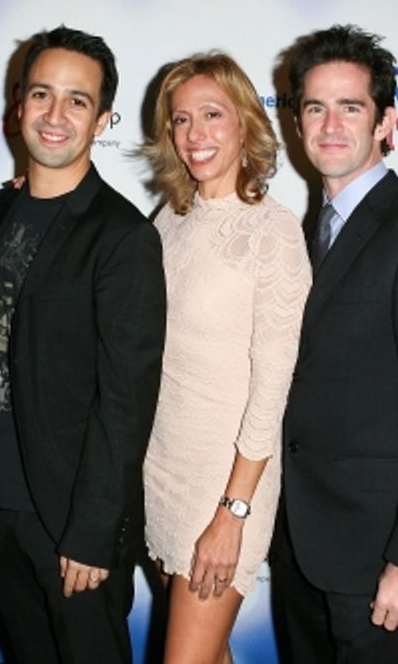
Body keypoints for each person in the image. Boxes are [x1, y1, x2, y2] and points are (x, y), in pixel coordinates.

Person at [273, 24, 398, 663]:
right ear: (296, 122)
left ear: (386, 122)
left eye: (351, 107)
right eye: (315, 107)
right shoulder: (307, 235)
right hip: (301, 548)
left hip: (380, 560)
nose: (331, 125)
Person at [0, 25, 166, 663]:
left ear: (102, 120)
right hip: (3, 510)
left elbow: (126, 402)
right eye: (41, 94)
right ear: (18, 105)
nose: (55, 115)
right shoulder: (0, 211)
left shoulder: (121, 236)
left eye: (77, 101)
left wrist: (93, 532)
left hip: (74, 522)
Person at [141, 53, 310, 663]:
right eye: (182, 119)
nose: (195, 134)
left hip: (224, 484)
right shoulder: (169, 220)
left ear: (244, 121)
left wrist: (232, 512)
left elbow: (272, 388)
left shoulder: (273, 231)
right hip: (163, 469)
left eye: (212, 114)